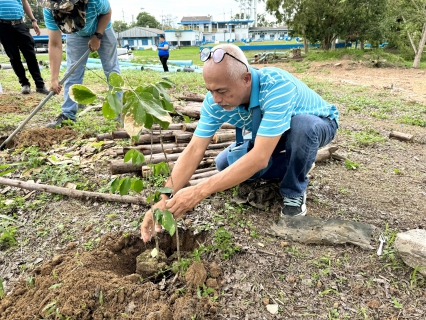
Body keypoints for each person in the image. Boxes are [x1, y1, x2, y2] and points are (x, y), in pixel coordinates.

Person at [140, 43, 339, 242]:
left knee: (302, 127)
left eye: (222, 91)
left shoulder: (277, 86)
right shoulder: (214, 101)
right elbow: (194, 150)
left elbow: (260, 158)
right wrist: (164, 197)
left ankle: (294, 189)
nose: (216, 99)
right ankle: (297, 161)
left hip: (317, 124)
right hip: (274, 132)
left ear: (246, 79)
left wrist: (199, 191)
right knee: (224, 163)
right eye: (210, 91)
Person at [37, 0, 121, 128]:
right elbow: (54, 44)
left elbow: (107, 13)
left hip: (103, 28)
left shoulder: (95, 1)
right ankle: (68, 114)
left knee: (112, 70)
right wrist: (54, 78)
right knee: (73, 72)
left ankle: (119, 110)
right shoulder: (49, 8)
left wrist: (98, 36)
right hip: (76, 34)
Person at [0, 0, 49, 95]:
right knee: (14, 57)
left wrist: (33, 20)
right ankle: (25, 84)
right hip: (3, 27)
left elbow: (25, 2)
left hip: (20, 24)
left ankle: (40, 85)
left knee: (30, 55)